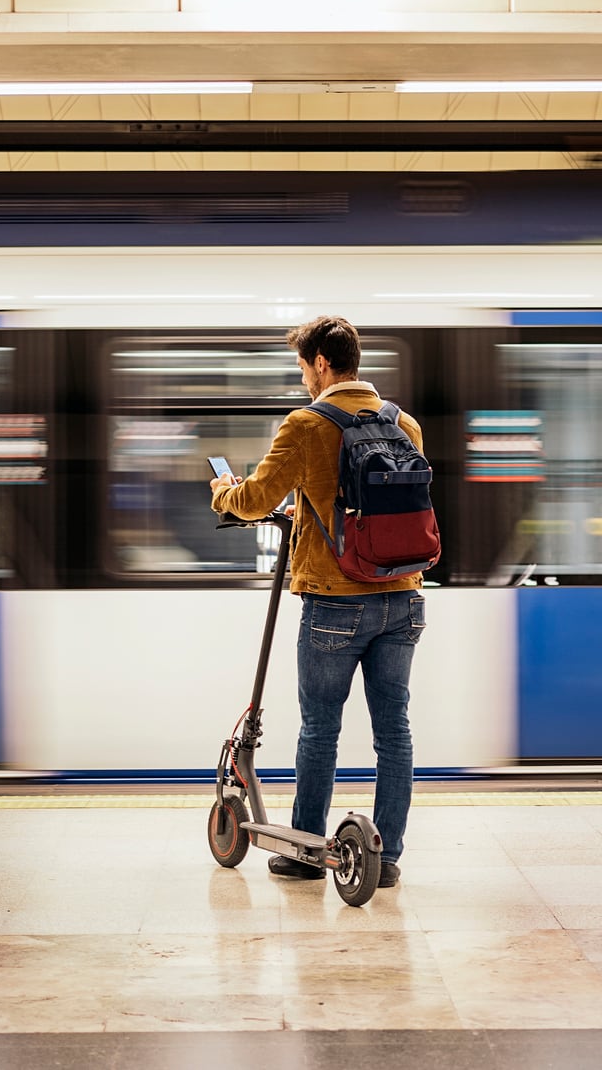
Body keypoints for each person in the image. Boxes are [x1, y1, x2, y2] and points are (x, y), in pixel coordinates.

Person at [209, 315, 426, 888]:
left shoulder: (306, 424)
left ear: (322, 364)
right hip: (402, 599)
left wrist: (222, 493)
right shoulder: (403, 423)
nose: (303, 377)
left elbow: (254, 498)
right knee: (394, 732)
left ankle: (305, 851)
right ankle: (386, 856)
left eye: (303, 366)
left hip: (335, 603)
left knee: (320, 730)